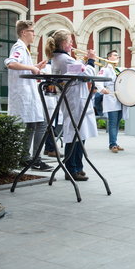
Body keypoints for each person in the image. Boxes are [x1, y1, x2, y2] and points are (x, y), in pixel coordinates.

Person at [44, 29, 98, 181]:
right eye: (69, 41)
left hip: (75, 98)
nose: (72, 44)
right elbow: (86, 74)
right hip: (74, 99)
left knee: (79, 133)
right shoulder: (63, 59)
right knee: (74, 133)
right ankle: (71, 169)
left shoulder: (62, 58)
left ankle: (78, 167)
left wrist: (83, 63)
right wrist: (91, 60)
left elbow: (79, 72)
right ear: (63, 43)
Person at [4, 20, 52, 171]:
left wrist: (35, 67)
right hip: (24, 95)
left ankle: (25, 158)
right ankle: (35, 159)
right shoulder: (19, 46)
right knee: (41, 123)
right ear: (24, 33)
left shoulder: (24, 49)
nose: (34, 34)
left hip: (28, 94)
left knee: (32, 125)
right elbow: (11, 63)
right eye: (32, 31)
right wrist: (32, 67)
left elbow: (21, 68)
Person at [95, 50, 128, 153]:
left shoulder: (118, 69)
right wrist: (102, 89)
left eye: (118, 55)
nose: (117, 57)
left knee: (117, 122)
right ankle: (112, 144)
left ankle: (115, 142)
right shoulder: (105, 69)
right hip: (111, 97)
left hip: (119, 98)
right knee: (113, 122)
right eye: (115, 55)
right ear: (109, 58)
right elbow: (97, 80)